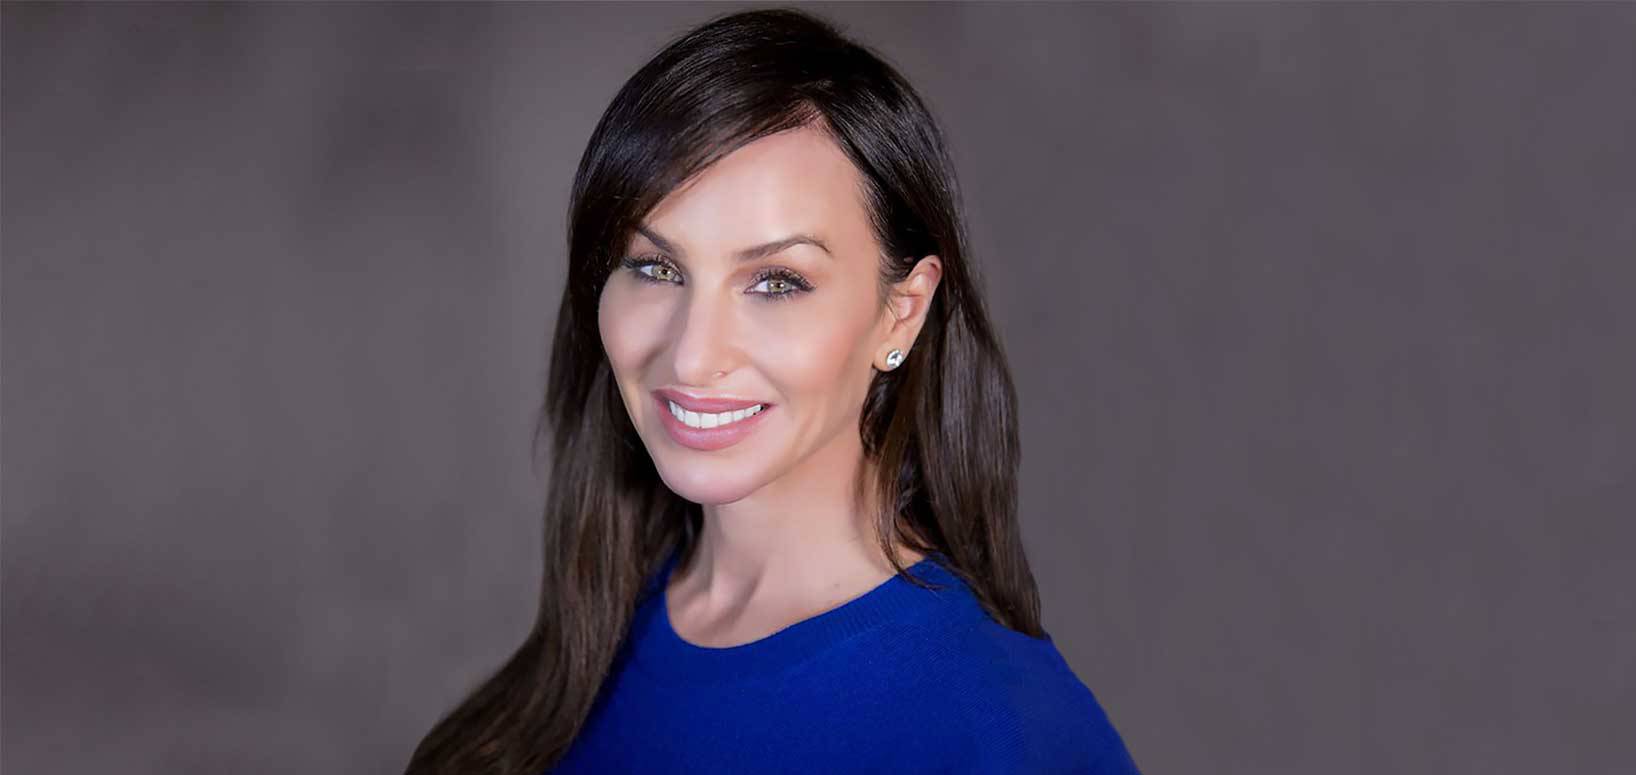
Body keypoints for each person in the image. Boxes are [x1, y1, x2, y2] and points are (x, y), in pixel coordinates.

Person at [405, 8, 1139, 774]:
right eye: (656, 267)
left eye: (777, 281)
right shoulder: (596, 633)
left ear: (902, 310)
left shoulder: (1000, 728)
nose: (693, 356)